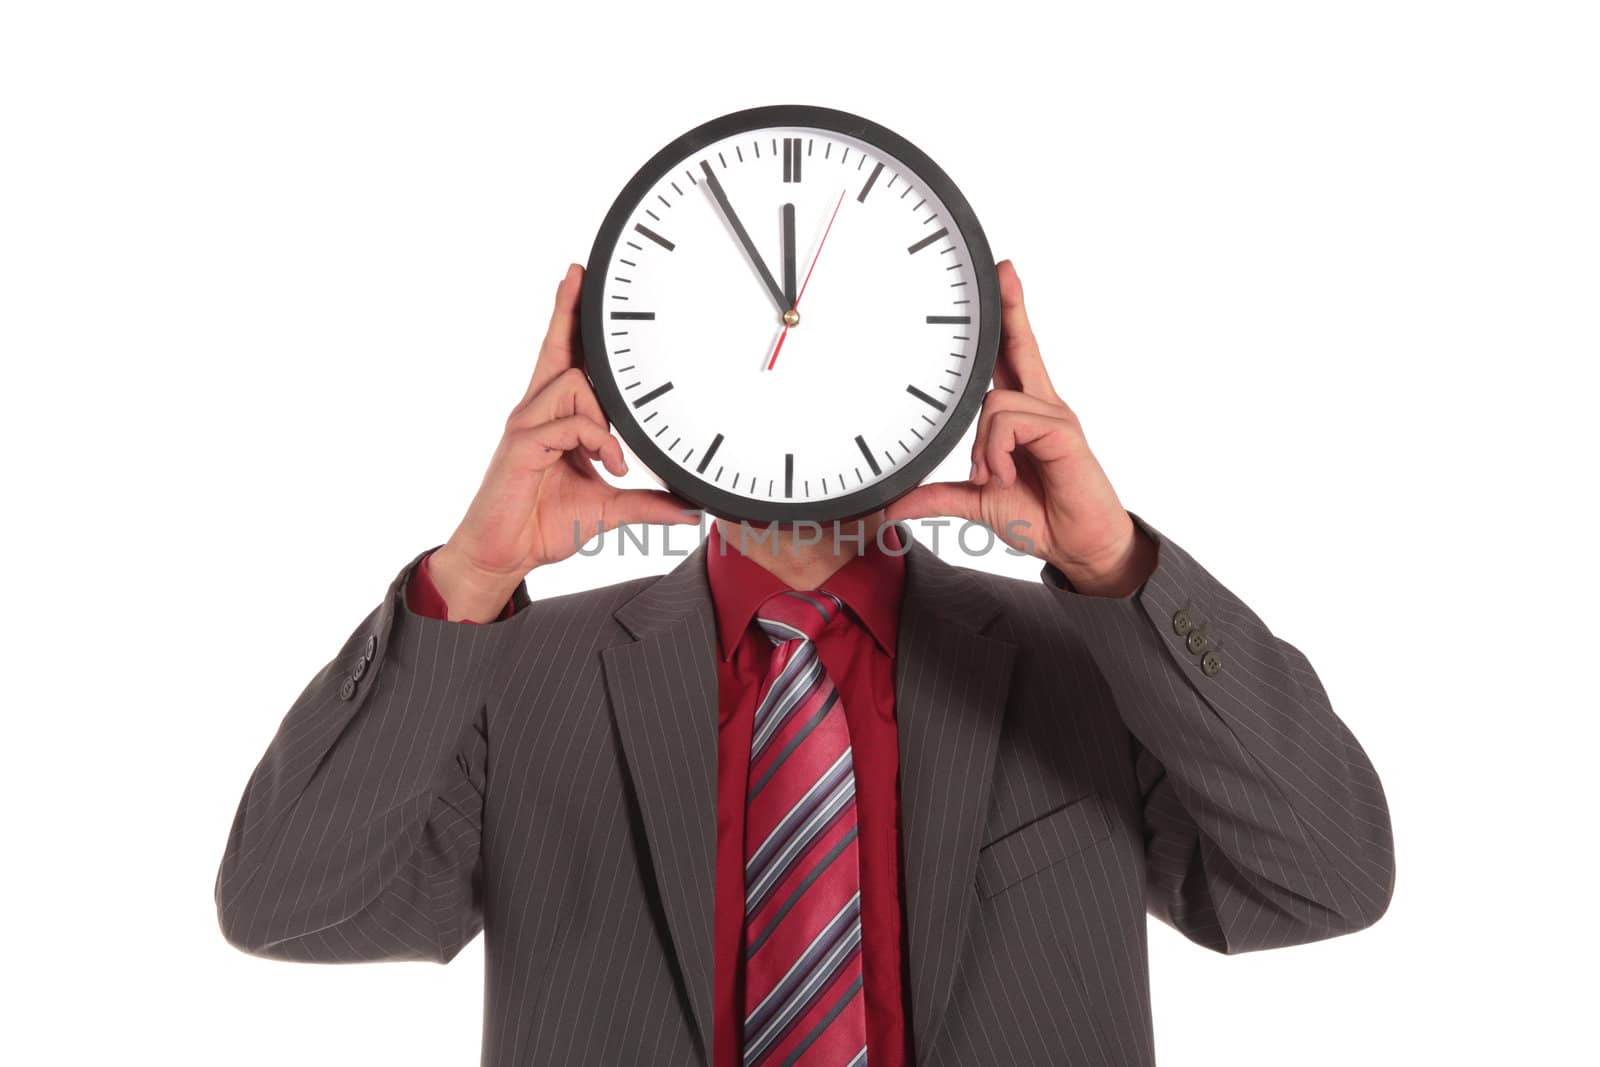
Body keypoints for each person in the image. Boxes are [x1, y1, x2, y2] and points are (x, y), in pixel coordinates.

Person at [215, 261, 1394, 1067]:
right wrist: (465, 583)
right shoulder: (518, 677)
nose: (793, 372)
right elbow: (283, 907)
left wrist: (1117, 566)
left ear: (953, 376)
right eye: (744, 343)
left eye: (855, 344)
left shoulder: (1090, 662)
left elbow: (1326, 878)